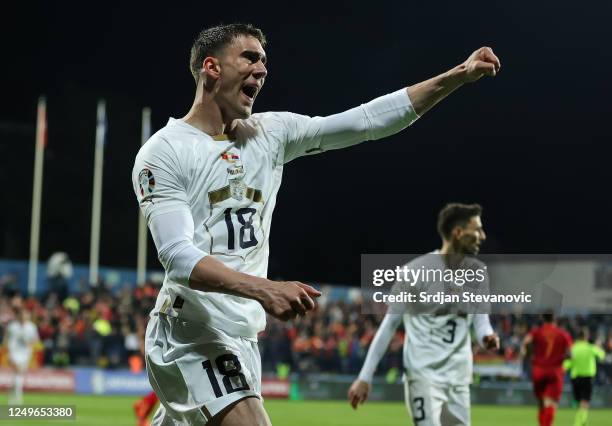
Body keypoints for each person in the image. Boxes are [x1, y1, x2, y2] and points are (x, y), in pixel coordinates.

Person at [131, 23, 501, 426]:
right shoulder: (165, 151)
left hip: (241, 336)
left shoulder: (270, 135)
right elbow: (178, 256)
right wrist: (265, 289)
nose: (262, 70)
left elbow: (366, 122)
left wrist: (457, 76)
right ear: (211, 67)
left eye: (265, 61)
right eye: (250, 58)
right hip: (190, 329)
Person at [347, 203, 499, 426]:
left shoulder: (477, 273)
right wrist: (365, 376)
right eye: (477, 230)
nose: (482, 236)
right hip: (423, 375)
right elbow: (389, 325)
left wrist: (488, 336)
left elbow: (481, 321)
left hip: (459, 377)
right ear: (458, 233)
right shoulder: (414, 272)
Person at [521, 312, 573, 426]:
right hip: (555, 371)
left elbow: (525, 344)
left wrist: (529, 356)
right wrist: (561, 357)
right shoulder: (563, 334)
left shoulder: (536, 332)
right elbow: (570, 354)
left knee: (541, 402)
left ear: (542, 318)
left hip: (538, 370)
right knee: (551, 402)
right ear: (555, 319)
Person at [563, 328, 605, 426]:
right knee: (585, 401)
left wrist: (563, 369)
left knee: (578, 401)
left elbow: (567, 363)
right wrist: (598, 346)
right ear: (586, 337)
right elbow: (602, 355)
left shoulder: (573, 348)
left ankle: (581, 421)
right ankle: (579, 422)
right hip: (587, 377)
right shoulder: (590, 347)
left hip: (575, 378)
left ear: (578, 337)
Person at [3, 307, 39, 405]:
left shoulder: (32, 327)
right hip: (13, 353)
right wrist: (7, 352)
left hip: (26, 354)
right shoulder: (12, 326)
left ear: (28, 316)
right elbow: (6, 338)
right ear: (19, 316)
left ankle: (11, 394)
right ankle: (18, 398)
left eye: (26, 314)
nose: (24, 316)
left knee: (18, 375)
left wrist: (29, 343)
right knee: (18, 372)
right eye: (22, 314)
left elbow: (35, 340)